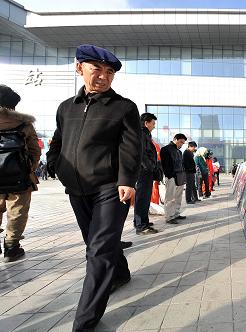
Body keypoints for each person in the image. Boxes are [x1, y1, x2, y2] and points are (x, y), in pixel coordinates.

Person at [46, 45, 141, 331]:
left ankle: (84, 322)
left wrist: (127, 181)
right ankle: (120, 273)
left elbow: (131, 148)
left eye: (109, 72)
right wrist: (55, 164)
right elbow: (58, 140)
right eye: (96, 69)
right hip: (76, 188)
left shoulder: (124, 107)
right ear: (80, 69)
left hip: (110, 188)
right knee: (96, 242)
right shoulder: (66, 107)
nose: (103, 76)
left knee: (97, 251)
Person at [0, 85, 41, 262]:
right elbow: (34, 151)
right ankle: (11, 247)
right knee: (17, 211)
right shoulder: (24, 124)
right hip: (19, 178)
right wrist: (28, 169)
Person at [133, 112, 159, 235]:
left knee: (144, 198)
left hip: (146, 171)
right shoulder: (141, 134)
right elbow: (141, 154)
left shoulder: (146, 134)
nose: (154, 126)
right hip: (143, 171)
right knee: (142, 198)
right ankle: (141, 226)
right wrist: (150, 166)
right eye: (153, 123)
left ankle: (143, 221)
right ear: (146, 123)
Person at [160, 133, 187, 224]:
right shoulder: (165, 149)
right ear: (175, 139)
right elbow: (164, 164)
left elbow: (181, 164)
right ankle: (169, 216)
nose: (181, 144)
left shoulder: (179, 152)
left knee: (178, 197)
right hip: (171, 177)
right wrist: (169, 175)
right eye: (180, 142)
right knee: (170, 197)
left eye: (183, 143)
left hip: (180, 176)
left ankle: (176, 213)